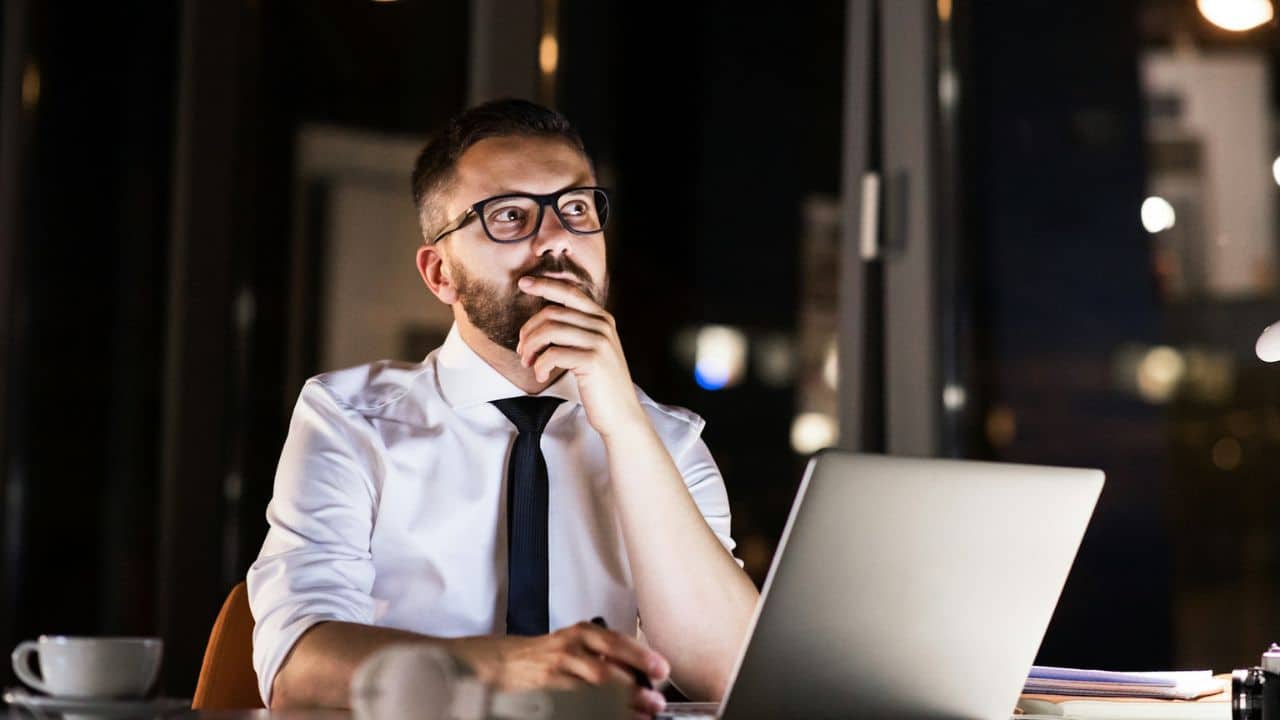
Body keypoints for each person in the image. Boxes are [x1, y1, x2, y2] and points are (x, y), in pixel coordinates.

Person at [246, 98, 759, 717]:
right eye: (510, 216)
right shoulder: (348, 419)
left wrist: (624, 424)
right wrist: (507, 666)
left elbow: (730, 676)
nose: (556, 240)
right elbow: (297, 668)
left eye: (575, 208)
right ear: (440, 273)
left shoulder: (670, 441)